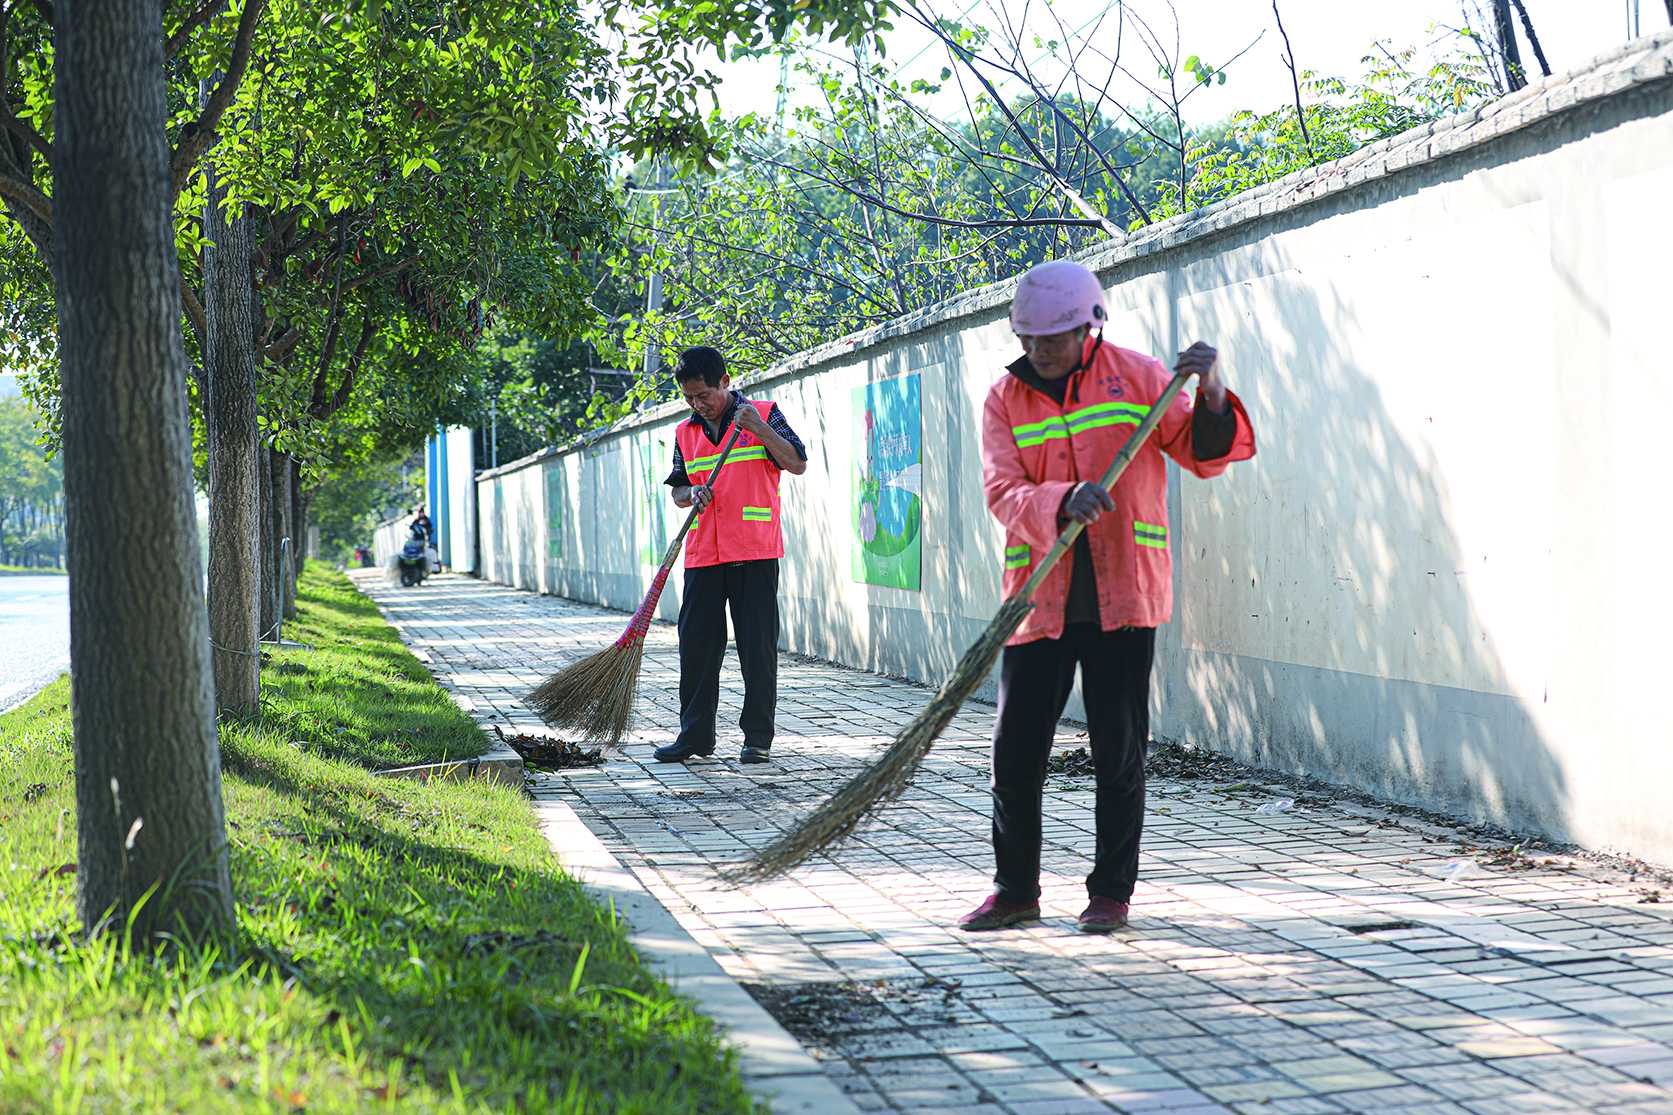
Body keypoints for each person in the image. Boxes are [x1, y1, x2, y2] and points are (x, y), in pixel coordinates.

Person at [960, 259, 1256, 934]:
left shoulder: (1141, 377)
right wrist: (1061, 499)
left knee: (1118, 750)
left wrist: (1209, 388)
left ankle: (1109, 893)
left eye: (1054, 339)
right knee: (1014, 752)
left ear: (1089, 327)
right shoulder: (1004, 398)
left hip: (1124, 596)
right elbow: (1000, 492)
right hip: (1039, 598)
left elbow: (1202, 453)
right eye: (1030, 338)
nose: (1040, 351)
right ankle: (1014, 890)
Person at [659, 347, 807, 765]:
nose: (697, 404)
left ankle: (757, 737)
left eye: (703, 394)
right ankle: (695, 737)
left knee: (756, 648)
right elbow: (678, 491)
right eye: (689, 397)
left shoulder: (764, 412)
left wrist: (760, 429)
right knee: (696, 648)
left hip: (755, 550)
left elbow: (796, 463)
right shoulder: (685, 431)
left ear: (725, 381)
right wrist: (692, 493)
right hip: (704, 553)